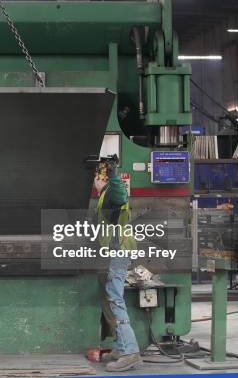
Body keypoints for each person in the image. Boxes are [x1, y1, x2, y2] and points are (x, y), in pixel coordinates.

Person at [94, 156, 142, 372]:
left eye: (95, 176)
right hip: (115, 250)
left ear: (100, 178)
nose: (93, 181)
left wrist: (113, 174)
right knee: (110, 295)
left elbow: (121, 194)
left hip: (120, 250)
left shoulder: (112, 191)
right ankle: (122, 346)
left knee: (115, 298)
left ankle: (130, 352)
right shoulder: (104, 196)